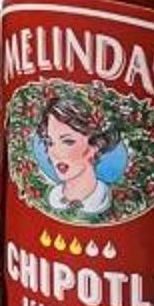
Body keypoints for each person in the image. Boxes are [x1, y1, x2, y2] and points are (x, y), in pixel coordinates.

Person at [38, 87, 133, 222]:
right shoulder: (53, 197)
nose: (55, 153)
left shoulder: (104, 199)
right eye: (49, 142)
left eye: (68, 141)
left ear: (95, 146)